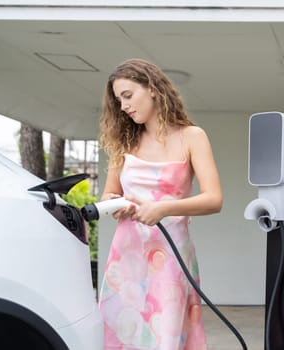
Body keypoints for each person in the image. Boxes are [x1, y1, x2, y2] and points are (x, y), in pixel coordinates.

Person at [97, 58, 222, 349]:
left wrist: (163, 208)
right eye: (119, 101)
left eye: (128, 96)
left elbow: (214, 199)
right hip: (127, 258)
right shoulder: (124, 142)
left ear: (152, 88)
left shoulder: (192, 137)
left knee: (165, 337)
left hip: (171, 257)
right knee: (121, 336)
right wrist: (116, 204)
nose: (124, 106)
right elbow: (108, 195)